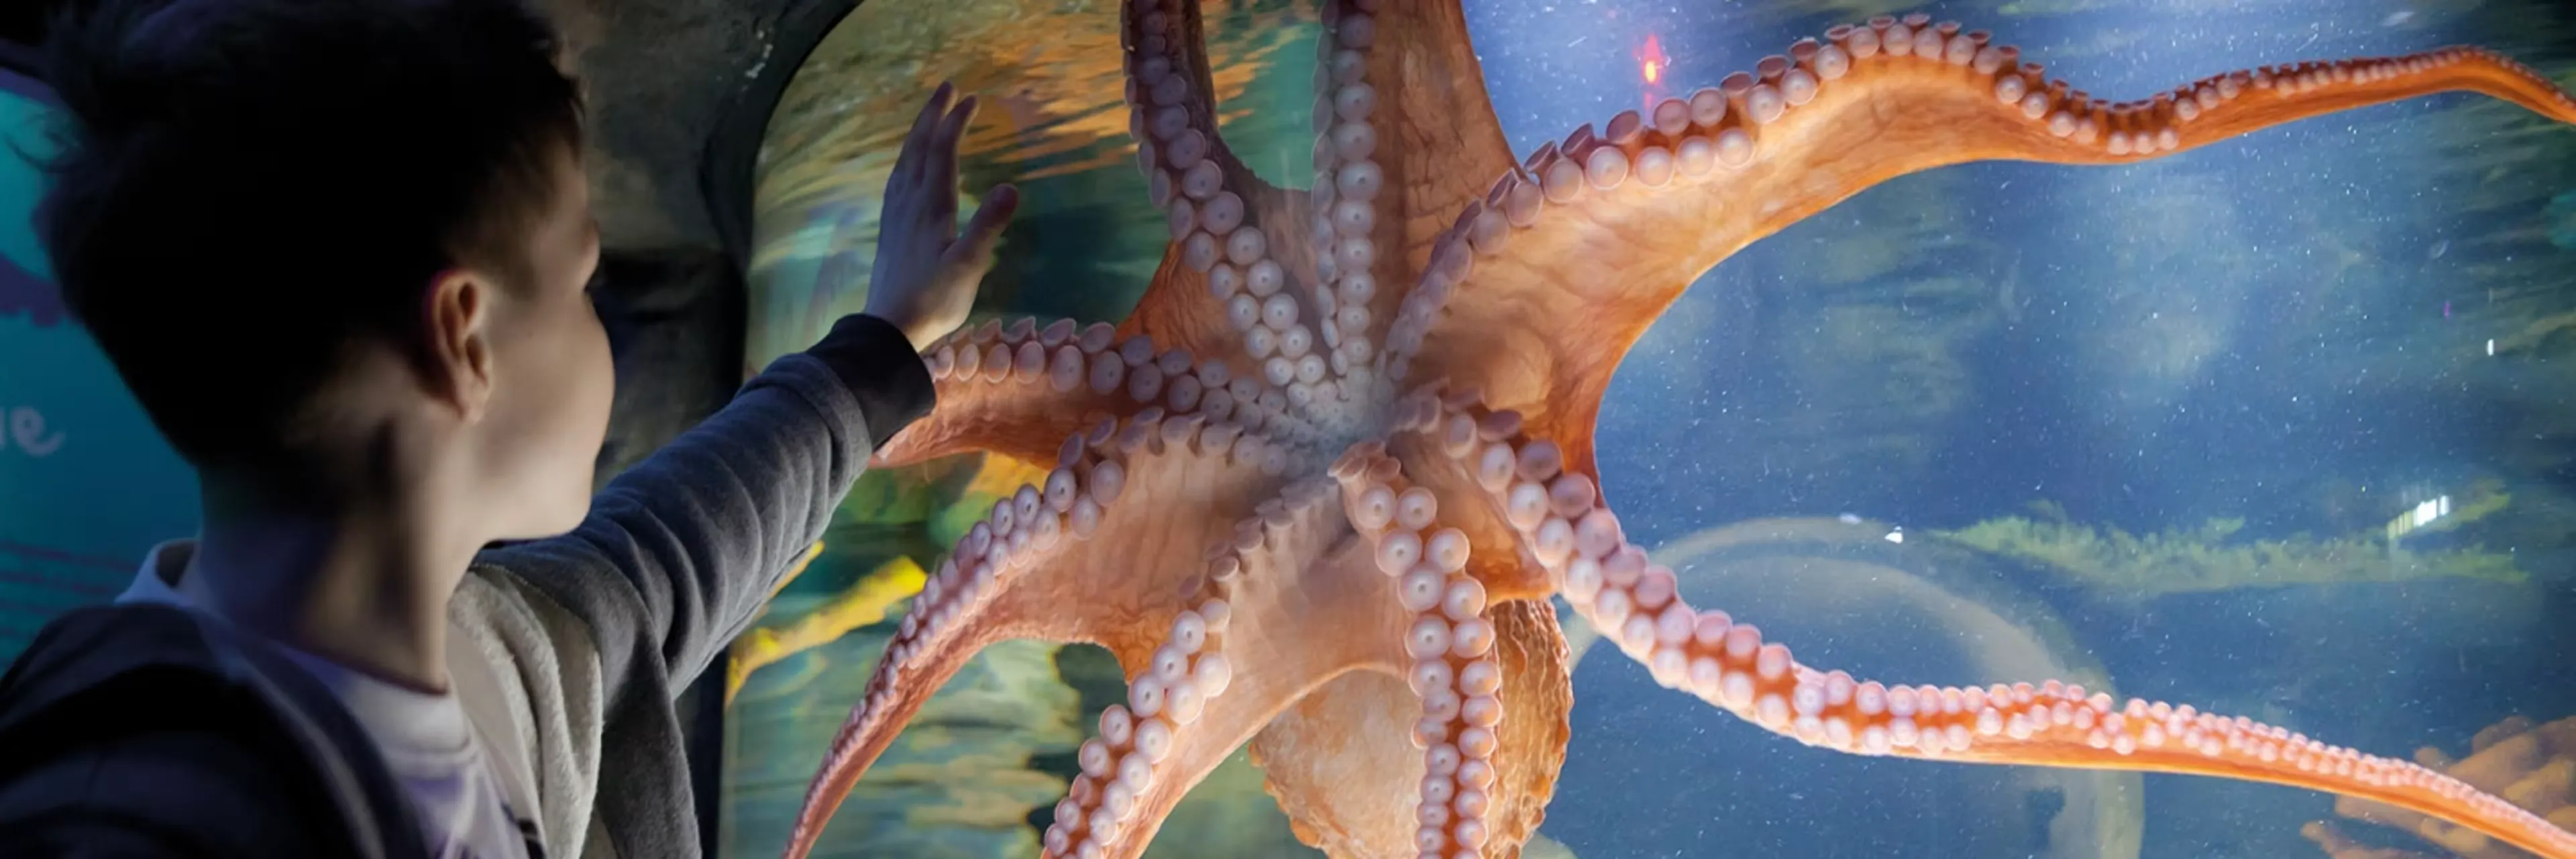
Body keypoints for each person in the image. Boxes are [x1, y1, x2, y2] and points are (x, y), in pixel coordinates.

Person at [0, 1, 1018, 856]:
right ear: (464, 340)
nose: (600, 325)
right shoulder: (136, 819)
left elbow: (659, 562)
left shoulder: (489, 657)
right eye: (586, 280)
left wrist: (887, 343)